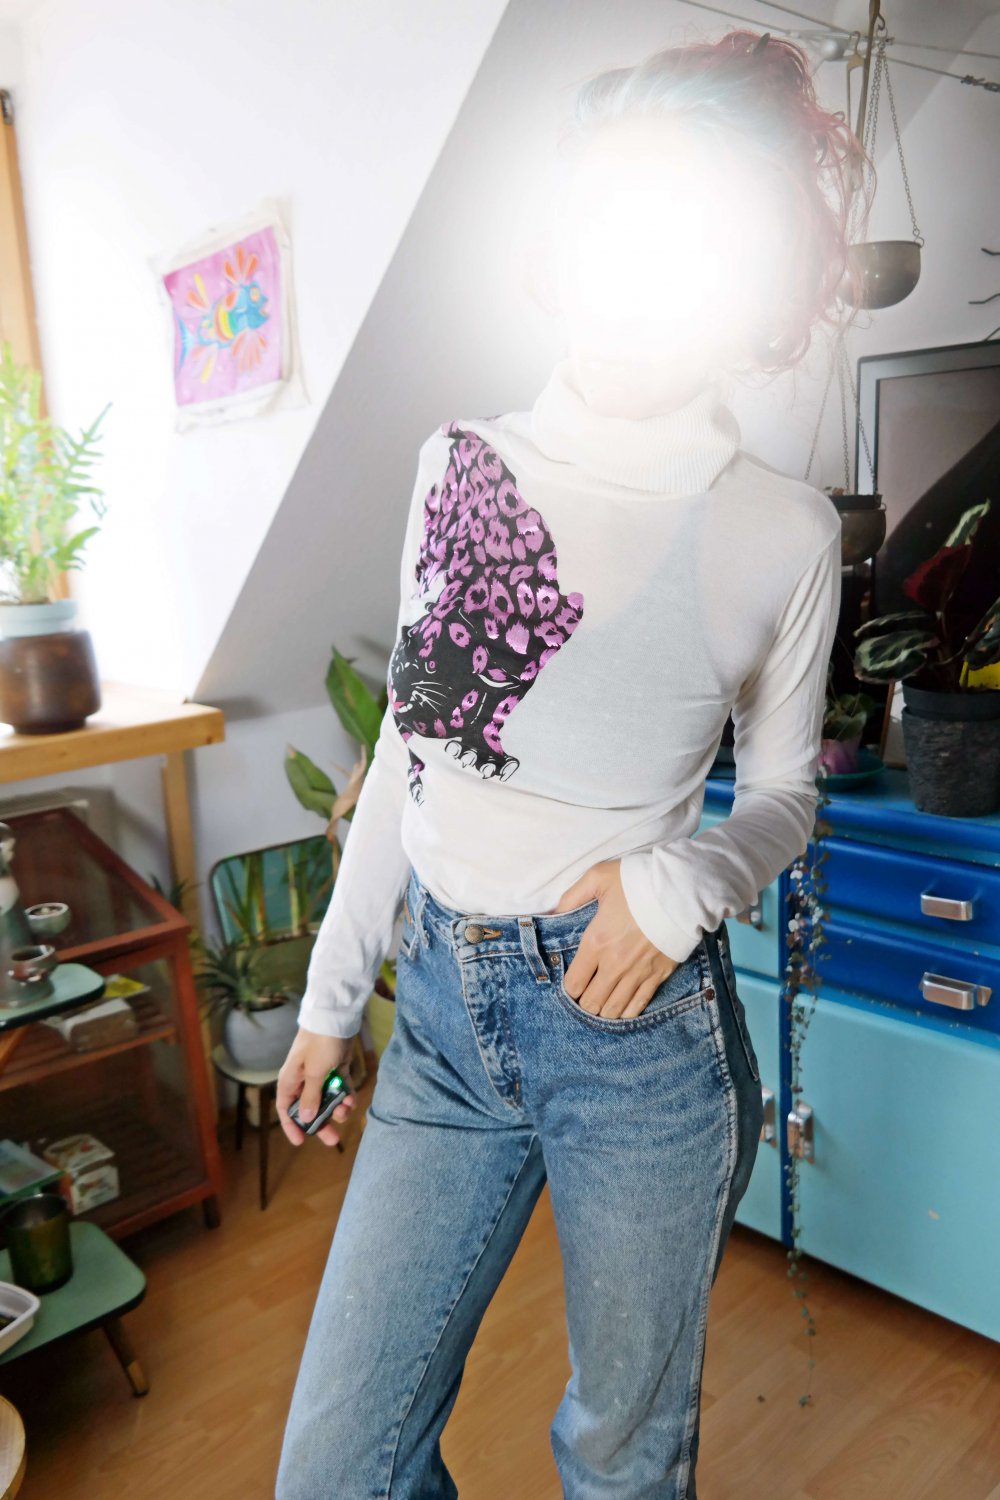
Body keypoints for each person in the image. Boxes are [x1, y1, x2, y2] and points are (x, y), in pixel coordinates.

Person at [275, 28, 866, 1500]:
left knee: (619, 1463)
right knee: (337, 1470)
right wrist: (332, 1001)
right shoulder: (459, 461)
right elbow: (411, 749)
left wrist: (682, 883)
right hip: (440, 1021)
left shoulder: (781, 529)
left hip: (635, 1036)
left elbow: (786, 795)